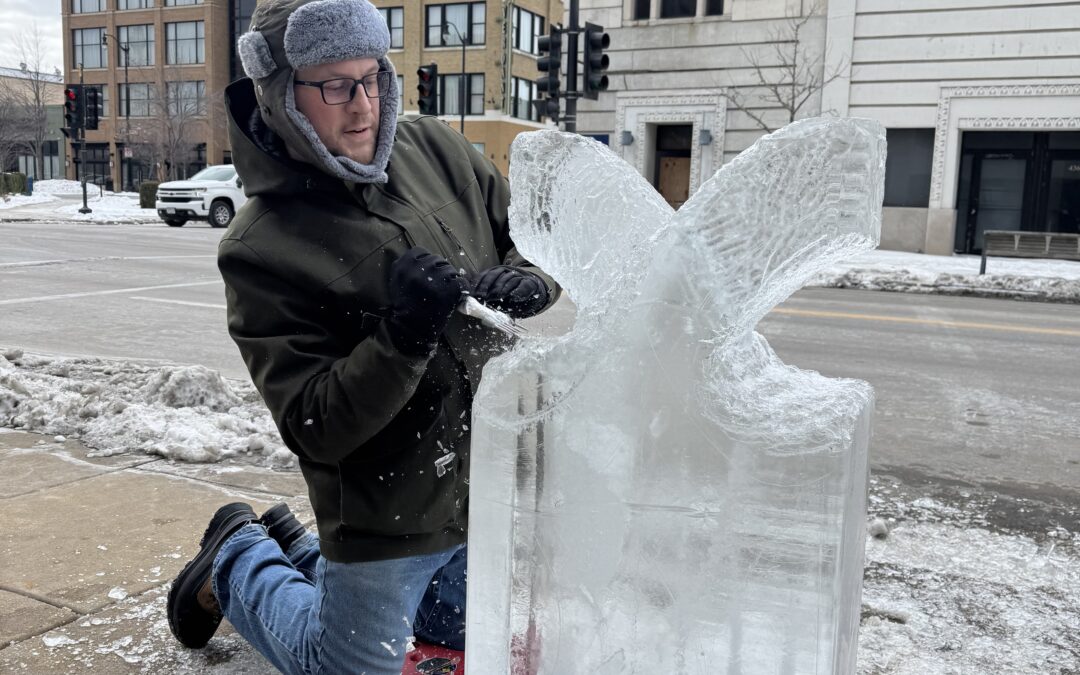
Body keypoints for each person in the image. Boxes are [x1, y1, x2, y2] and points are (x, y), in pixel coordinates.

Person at [164, 0, 560, 671]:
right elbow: (315, 421)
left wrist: (530, 279)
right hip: (384, 514)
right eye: (335, 85)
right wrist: (404, 334)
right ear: (282, 93)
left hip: (477, 487)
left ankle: (293, 546)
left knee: (463, 640)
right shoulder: (261, 248)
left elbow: (535, 235)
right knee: (338, 665)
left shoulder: (435, 148)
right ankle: (237, 557)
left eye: (372, 76)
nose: (364, 105)